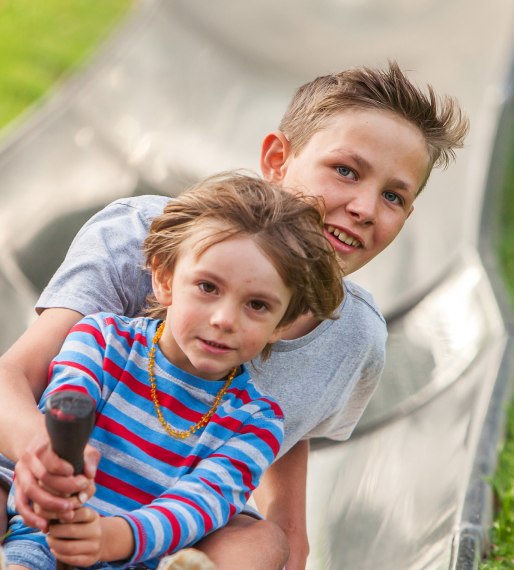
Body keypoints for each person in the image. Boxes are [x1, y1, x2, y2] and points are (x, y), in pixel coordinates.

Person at [0, 61, 469, 570]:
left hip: (167, 517)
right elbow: (16, 375)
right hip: (42, 481)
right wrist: (39, 455)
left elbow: (290, 434)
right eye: (346, 170)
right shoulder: (144, 237)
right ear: (276, 158)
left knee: (262, 545)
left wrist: (292, 543)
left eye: (393, 196)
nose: (364, 207)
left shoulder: (353, 339)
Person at [1, 173, 344, 569]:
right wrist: (54, 472)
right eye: (208, 287)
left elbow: (199, 504)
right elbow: (65, 406)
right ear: (164, 280)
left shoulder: (256, 423)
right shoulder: (102, 341)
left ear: (282, 323)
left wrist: (112, 538)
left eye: (257, 305)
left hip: (143, 558)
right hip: (43, 542)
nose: (224, 319)